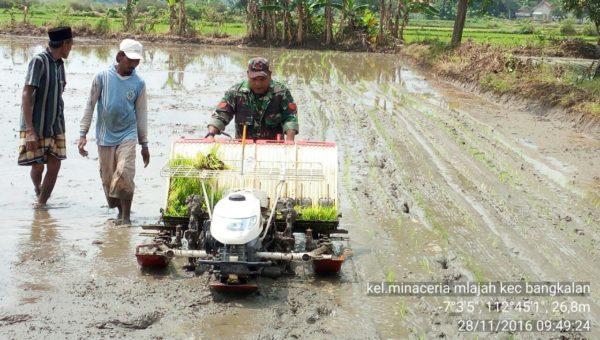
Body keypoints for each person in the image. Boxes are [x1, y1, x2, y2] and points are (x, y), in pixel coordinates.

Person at [78, 39, 150, 225]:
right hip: (105, 136)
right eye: (130, 60)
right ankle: (119, 211)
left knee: (125, 173)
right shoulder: (101, 77)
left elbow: (141, 113)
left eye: (137, 61)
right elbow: (90, 105)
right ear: (119, 56)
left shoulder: (139, 83)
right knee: (108, 179)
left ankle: (126, 218)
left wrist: (144, 143)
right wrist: (83, 133)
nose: (133, 65)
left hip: (128, 134)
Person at [18, 26, 73, 206]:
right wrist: (30, 131)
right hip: (36, 125)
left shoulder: (60, 65)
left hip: (55, 124)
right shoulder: (39, 61)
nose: (71, 49)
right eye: (70, 45)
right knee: (38, 166)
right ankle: (37, 187)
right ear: (64, 44)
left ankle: (41, 204)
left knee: (55, 165)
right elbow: (27, 93)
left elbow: (59, 92)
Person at [206, 57, 299, 141]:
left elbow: (290, 117)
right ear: (247, 75)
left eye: (262, 79)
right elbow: (221, 114)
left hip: (273, 146)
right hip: (243, 145)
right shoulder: (236, 92)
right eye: (254, 79)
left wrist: (290, 141)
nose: (258, 84)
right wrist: (210, 135)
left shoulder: (281, 92)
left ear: (270, 75)